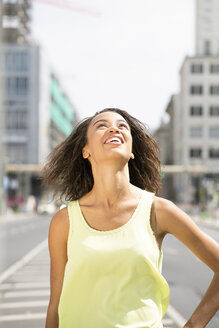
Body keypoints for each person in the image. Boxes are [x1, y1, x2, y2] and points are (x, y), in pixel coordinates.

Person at [42, 108, 219, 328]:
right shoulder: (64, 221)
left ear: (132, 149)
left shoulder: (159, 211)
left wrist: (193, 325)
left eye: (121, 126)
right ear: (85, 150)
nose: (114, 128)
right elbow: (55, 305)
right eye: (101, 125)